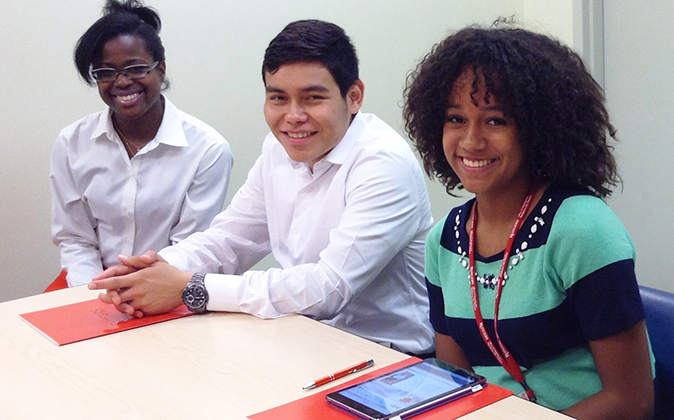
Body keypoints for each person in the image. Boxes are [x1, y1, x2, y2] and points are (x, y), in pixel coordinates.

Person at [89, 19, 435, 356]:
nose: (293, 116)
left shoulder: (383, 164)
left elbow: (329, 288)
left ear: (354, 96)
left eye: (313, 98)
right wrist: (152, 270)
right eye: (278, 98)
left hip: (390, 356)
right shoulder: (278, 149)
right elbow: (231, 239)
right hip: (304, 338)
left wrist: (188, 287)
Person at [403, 25, 654, 418]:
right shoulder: (444, 241)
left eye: (495, 121)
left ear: (538, 129)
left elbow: (631, 401)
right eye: (455, 118)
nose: (470, 141)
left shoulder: (580, 229)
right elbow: (458, 383)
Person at [50, 0, 233, 287]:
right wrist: (91, 294)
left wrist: (140, 291)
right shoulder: (71, 143)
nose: (121, 82)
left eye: (135, 68)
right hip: (92, 284)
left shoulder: (207, 150)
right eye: (105, 72)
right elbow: (75, 238)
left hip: (168, 284)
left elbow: (189, 246)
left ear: (160, 69)